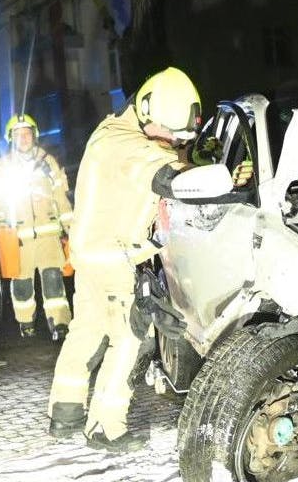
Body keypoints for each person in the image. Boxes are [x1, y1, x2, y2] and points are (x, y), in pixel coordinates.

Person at [48, 67, 206, 451]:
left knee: (87, 328)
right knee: (132, 336)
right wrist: (224, 180)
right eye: (171, 134)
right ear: (148, 111)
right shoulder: (131, 148)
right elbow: (170, 175)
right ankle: (104, 427)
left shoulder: (113, 131)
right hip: (114, 258)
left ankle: (64, 413)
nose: (173, 142)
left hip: (90, 252)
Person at [0, 113, 74, 341]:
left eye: (27, 133)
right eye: (18, 134)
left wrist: (71, 228)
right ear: (10, 138)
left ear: (34, 136)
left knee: (54, 282)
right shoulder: (1, 168)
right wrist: (0, 225)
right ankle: (26, 323)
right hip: (19, 239)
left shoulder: (48, 162)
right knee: (22, 286)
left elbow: (61, 198)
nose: (23, 138)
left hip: (48, 236)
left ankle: (60, 324)